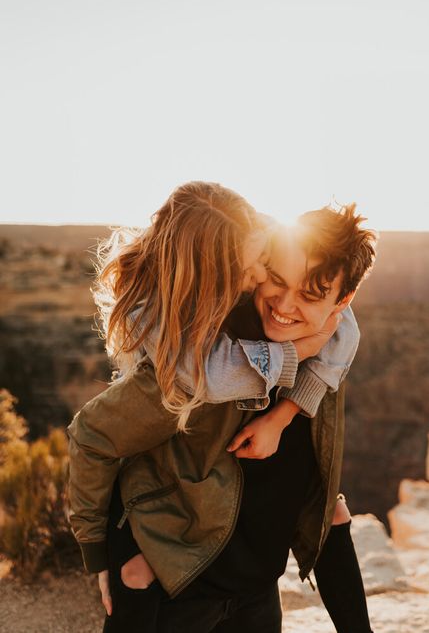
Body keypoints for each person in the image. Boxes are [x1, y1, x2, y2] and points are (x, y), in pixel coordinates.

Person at [67, 188, 376, 632]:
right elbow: (99, 432)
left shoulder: (328, 329)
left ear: (340, 302)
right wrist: (103, 553)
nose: (283, 302)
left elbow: (344, 328)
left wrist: (284, 412)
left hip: (254, 582)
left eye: (310, 295)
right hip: (188, 580)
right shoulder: (196, 357)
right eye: (268, 275)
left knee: (333, 511)